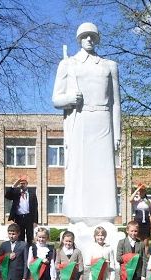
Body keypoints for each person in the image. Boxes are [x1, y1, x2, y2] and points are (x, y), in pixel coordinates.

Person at [52, 22, 121, 224]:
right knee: (80, 171)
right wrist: (70, 99)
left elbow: (116, 102)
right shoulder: (68, 64)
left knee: (103, 172)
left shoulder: (109, 65)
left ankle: (105, 216)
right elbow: (56, 99)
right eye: (85, 36)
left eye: (92, 36)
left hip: (103, 121)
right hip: (80, 120)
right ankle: (79, 216)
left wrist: (117, 133)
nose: (89, 39)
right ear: (79, 39)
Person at [5, 175, 38, 245]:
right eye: (21, 184)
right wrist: (14, 185)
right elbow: (7, 196)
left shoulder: (32, 194)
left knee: (30, 236)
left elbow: (35, 208)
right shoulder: (16, 192)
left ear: (27, 184)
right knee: (20, 236)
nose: (22, 185)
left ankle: (30, 251)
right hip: (19, 217)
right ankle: (21, 251)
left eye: (24, 183)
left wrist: (35, 221)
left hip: (29, 217)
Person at [130, 183, 151, 255]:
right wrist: (137, 189)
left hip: (146, 223)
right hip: (138, 222)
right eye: (139, 191)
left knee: (146, 242)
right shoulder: (136, 200)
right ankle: (137, 257)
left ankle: (145, 258)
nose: (140, 192)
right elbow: (130, 199)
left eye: (142, 191)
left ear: (145, 191)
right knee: (138, 241)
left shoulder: (149, 201)